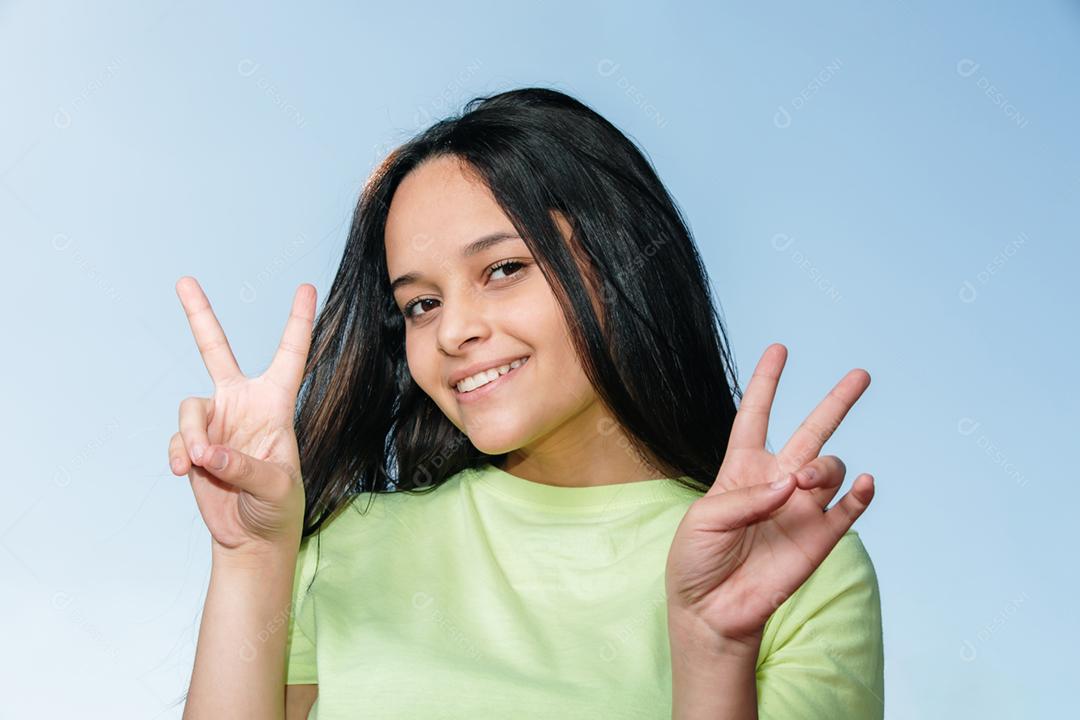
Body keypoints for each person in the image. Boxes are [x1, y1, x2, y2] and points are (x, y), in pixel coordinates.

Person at [169, 87, 883, 719]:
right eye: (420, 304)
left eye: (503, 269)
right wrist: (251, 558)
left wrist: (713, 649)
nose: (453, 331)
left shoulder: (790, 560)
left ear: (619, 262)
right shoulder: (344, 543)